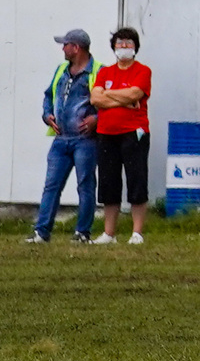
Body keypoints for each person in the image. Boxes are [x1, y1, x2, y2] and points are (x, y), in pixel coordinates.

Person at [31, 28, 99, 245]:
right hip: (60, 139)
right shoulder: (61, 69)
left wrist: (96, 119)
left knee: (85, 185)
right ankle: (42, 232)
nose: (63, 48)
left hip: (85, 140)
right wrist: (47, 114)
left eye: (66, 44)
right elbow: (48, 95)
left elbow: (106, 101)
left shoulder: (98, 71)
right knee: (52, 185)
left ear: (76, 48)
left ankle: (82, 232)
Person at [90, 26, 152, 246]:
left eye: (128, 43)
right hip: (106, 133)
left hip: (133, 133)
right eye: (120, 43)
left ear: (135, 47)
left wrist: (111, 95)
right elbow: (96, 99)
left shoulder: (142, 71)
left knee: (136, 180)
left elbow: (136, 93)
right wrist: (123, 100)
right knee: (108, 182)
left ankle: (137, 232)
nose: (124, 47)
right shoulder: (105, 72)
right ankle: (109, 233)